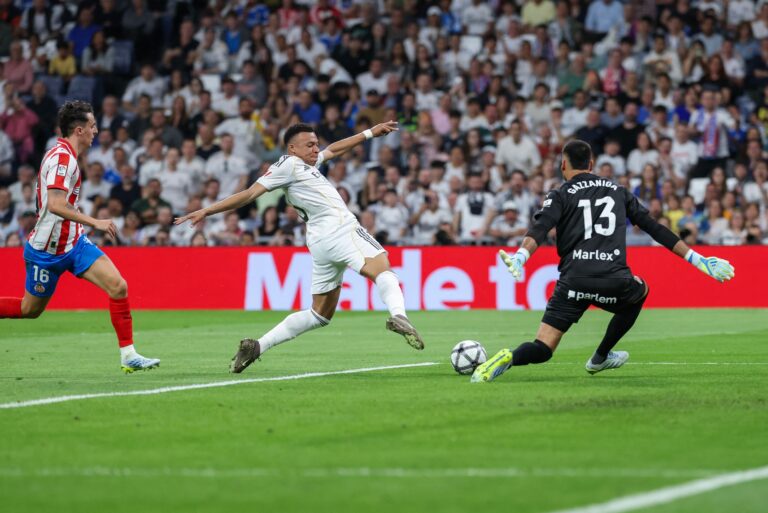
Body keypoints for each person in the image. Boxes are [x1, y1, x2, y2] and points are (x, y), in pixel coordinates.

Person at [471, 140, 735, 383]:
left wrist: (521, 255)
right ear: (592, 164)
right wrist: (697, 259)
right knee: (640, 290)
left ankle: (509, 357)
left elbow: (542, 226)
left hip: (573, 281)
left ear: (564, 164)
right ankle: (600, 357)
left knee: (543, 347)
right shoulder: (618, 191)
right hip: (614, 279)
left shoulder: (560, 193)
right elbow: (654, 228)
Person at [176, 121, 424, 373]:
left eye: (316, 143)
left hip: (320, 242)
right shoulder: (288, 165)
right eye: (310, 145)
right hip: (341, 229)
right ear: (292, 148)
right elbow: (250, 194)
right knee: (383, 271)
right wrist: (207, 210)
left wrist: (370, 133)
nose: (317, 148)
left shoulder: (306, 164)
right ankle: (399, 315)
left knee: (319, 314)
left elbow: (335, 150)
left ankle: (258, 346)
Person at [0, 101, 160, 374]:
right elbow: (56, 205)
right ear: (79, 129)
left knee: (118, 286)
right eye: (92, 125)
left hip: (73, 243)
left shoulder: (66, 155)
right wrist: (94, 220)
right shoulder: (63, 159)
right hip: (45, 251)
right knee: (30, 310)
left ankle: (128, 354)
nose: (96, 130)